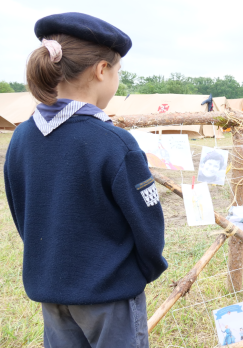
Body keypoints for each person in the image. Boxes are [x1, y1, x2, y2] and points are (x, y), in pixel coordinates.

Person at [3, 12, 168, 347]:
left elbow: (23, 216)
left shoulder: (21, 138)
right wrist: (139, 273)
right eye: (118, 70)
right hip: (110, 296)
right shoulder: (115, 143)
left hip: (51, 294)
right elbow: (149, 225)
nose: (117, 79)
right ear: (101, 70)